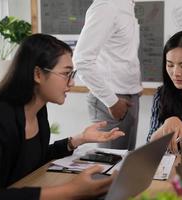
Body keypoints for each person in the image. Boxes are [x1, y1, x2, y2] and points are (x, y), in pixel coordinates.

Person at [0, 34, 125, 200]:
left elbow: (34, 158)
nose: (72, 83)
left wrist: (79, 139)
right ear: (37, 74)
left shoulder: (38, 111)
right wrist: (70, 191)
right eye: (66, 74)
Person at [73, 0, 142, 150]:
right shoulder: (107, 6)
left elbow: (123, 56)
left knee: (125, 166)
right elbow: (81, 60)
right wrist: (112, 101)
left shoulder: (127, 5)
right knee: (109, 169)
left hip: (129, 97)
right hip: (112, 101)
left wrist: (134, 87)